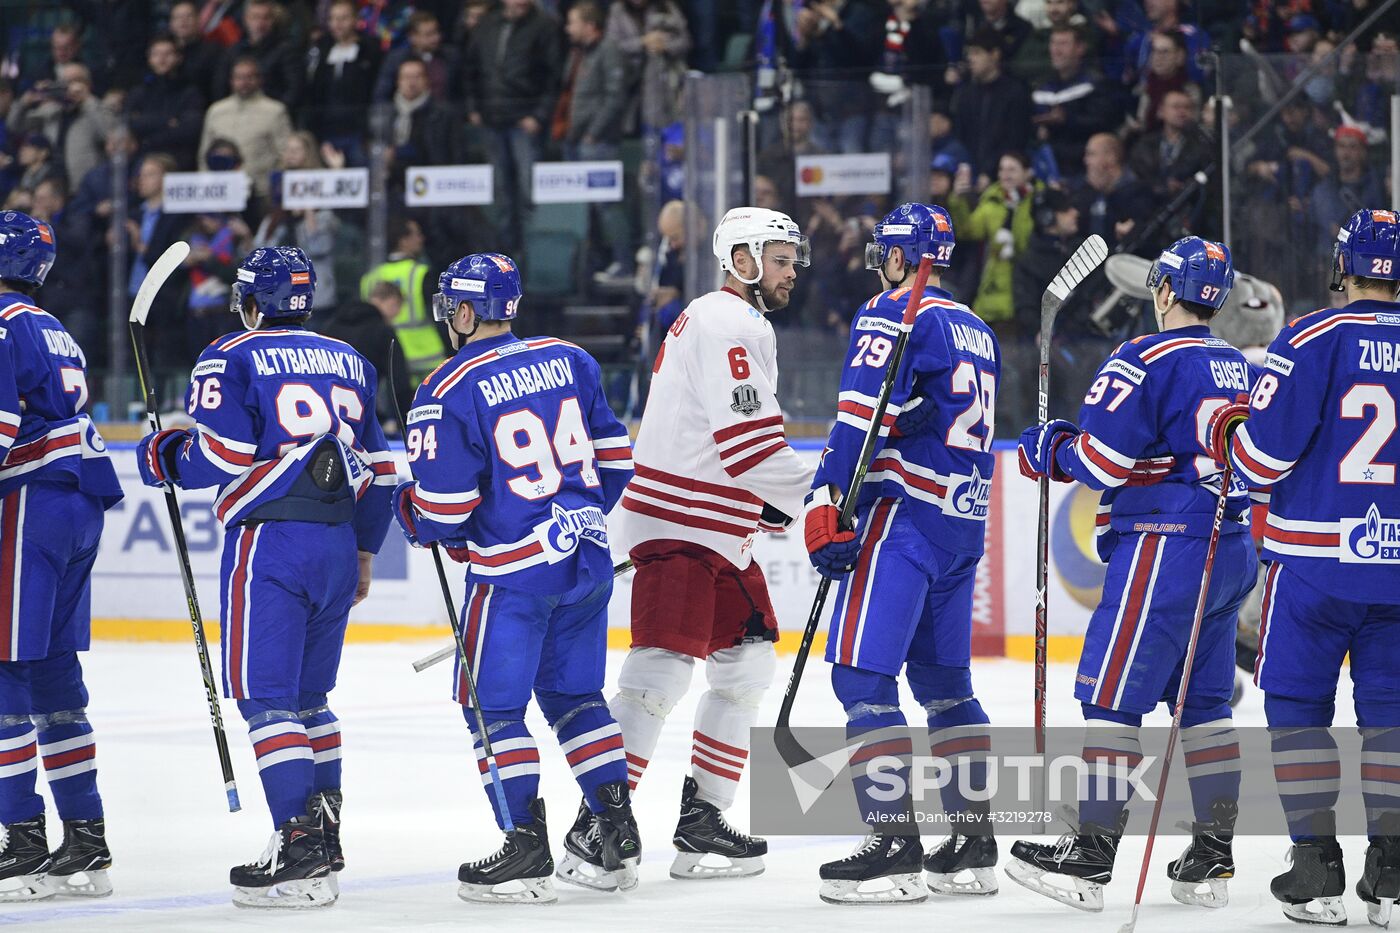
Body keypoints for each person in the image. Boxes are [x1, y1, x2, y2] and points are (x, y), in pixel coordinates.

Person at [135, 246, 397, 908]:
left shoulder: (233, 353)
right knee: (312, 699)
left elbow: (219, 453)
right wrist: (366, 550)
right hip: (339, 542)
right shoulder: (352, 359)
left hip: (272, 542)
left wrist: (165, 455)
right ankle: (323, 842)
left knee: (265, 698)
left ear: (252, 302)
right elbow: (383, 470)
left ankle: (298, 844)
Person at [1010, 237, 1257, 912]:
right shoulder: (1236, 360)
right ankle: (1213, 850)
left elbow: (1102, 464)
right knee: (1205, 703)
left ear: (1167, 291)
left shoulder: (1142, 356)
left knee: (1111, 695)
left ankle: (1089, 853)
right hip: (1229, 544)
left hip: (1163, 543)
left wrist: (1050, 448)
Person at [391, 253, 639, 903]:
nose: (449, 317)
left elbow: (444, 513)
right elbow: (616, 461)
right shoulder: (571, 358)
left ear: (468, 310)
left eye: (452, 306)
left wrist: (413, 513)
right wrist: (570, 516)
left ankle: (524, 848)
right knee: (577, 698)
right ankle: (616, 832)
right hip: (586, 563)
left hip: (510, 579)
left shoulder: (445, 388)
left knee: (490, 707)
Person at [604, 208, 814, 884]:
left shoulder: (731, 320)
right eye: (779, 259)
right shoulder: (729, 322)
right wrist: (826, 490)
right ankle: (595, 825)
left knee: (748, 661)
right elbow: (748, 445)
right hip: (682, 522)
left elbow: (734, 446)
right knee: (659, 669)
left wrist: (772, 500)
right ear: (742, 258)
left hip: (712, 524)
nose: (790, 272)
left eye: (791, 260)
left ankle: (702, 823)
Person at [801, 203, 999, 904]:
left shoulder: (893, 309)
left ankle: (894, 845)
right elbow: (925, 410)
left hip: (904, 521)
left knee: (860, 680)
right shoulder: (975, 328)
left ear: (896, 256)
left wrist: (829, 494)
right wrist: (903, 417)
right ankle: (974, 841)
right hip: (961, 527)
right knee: (947, 688)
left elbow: (859, 412)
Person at [1210, 209, 1400, 927]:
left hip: (1316, 567)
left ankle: (1316, 863)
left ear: (1340, 266)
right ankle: (1393, 869)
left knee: (1295, 705)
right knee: (1390, 712)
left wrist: (1231, 427)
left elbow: (1258, 462)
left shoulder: (1313, 336)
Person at [0, 211, 124, 901]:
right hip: (77, 501)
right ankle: (85, 840)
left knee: (6, 672)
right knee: (52, 675)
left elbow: (0, 420)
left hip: (31, 501)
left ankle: (19, 840)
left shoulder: (1, 320)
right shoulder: (54, 325)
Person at [462, 0, 561, 253]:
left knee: (530, 191)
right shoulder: (487, 23)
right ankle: (505, 257)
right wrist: (474, 107)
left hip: (524, 121)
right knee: (502, 193)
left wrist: (539, 116)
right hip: (491, 119)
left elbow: (553, 76)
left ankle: (535, 254)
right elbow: (470, 67)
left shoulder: (544, 26)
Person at [358, 216, 444, 379]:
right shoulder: (422, 274)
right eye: (416, 234)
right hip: (427, 360)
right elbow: (442, 319)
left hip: (386, 361)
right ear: (403, 241)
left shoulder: (369, 278)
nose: (421, 239)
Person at [199, 57, 293, 200]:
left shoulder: (275, 110)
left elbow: (285, 153)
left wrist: (275, 187)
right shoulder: (216, 111)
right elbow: (204, 153)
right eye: (239, 77)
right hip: (221, 191)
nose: (244, 82)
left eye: (250, 77)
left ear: (259, 79)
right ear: (231, 80)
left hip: (261, 192)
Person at [125, 34, 205, 170]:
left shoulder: (190, 92)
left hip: (179, 163)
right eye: (156, 54)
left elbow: (190, 130)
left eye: (167, 54)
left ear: (179, 57)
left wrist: (148, 137)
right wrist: (168, 122)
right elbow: (130, 124)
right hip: (143, 162)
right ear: (149, 59)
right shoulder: (138, 93)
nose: (162, 59)